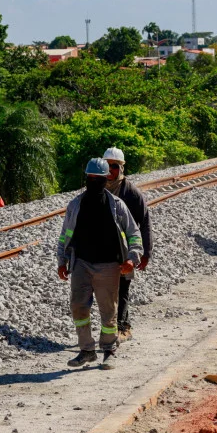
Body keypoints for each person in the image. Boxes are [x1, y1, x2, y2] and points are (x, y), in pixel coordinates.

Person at [57, 158, 144, 369]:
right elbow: (65, 234)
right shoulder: (76, 204)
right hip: (81, 264)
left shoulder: (117, 205)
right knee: (78, 307)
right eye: (90, 178)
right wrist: (62, 260)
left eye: (98, 178)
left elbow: (134, 233)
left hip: (108, 265)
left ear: (106, 180)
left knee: (108, 310)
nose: (93, 181)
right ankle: (86, 350)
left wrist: (133, 258)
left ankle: (109, 349)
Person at [102, 147, 152, 343]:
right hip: (103, 250)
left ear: (121, 168)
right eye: (107, 165)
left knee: (122, 288)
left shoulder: (131, 193)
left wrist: (145, 253)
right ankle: (123, 324)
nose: (110, 170)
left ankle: (121, 328)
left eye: (114, 166)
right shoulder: (97, 188)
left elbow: (145, 222)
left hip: (124, 252)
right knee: (107, 291)